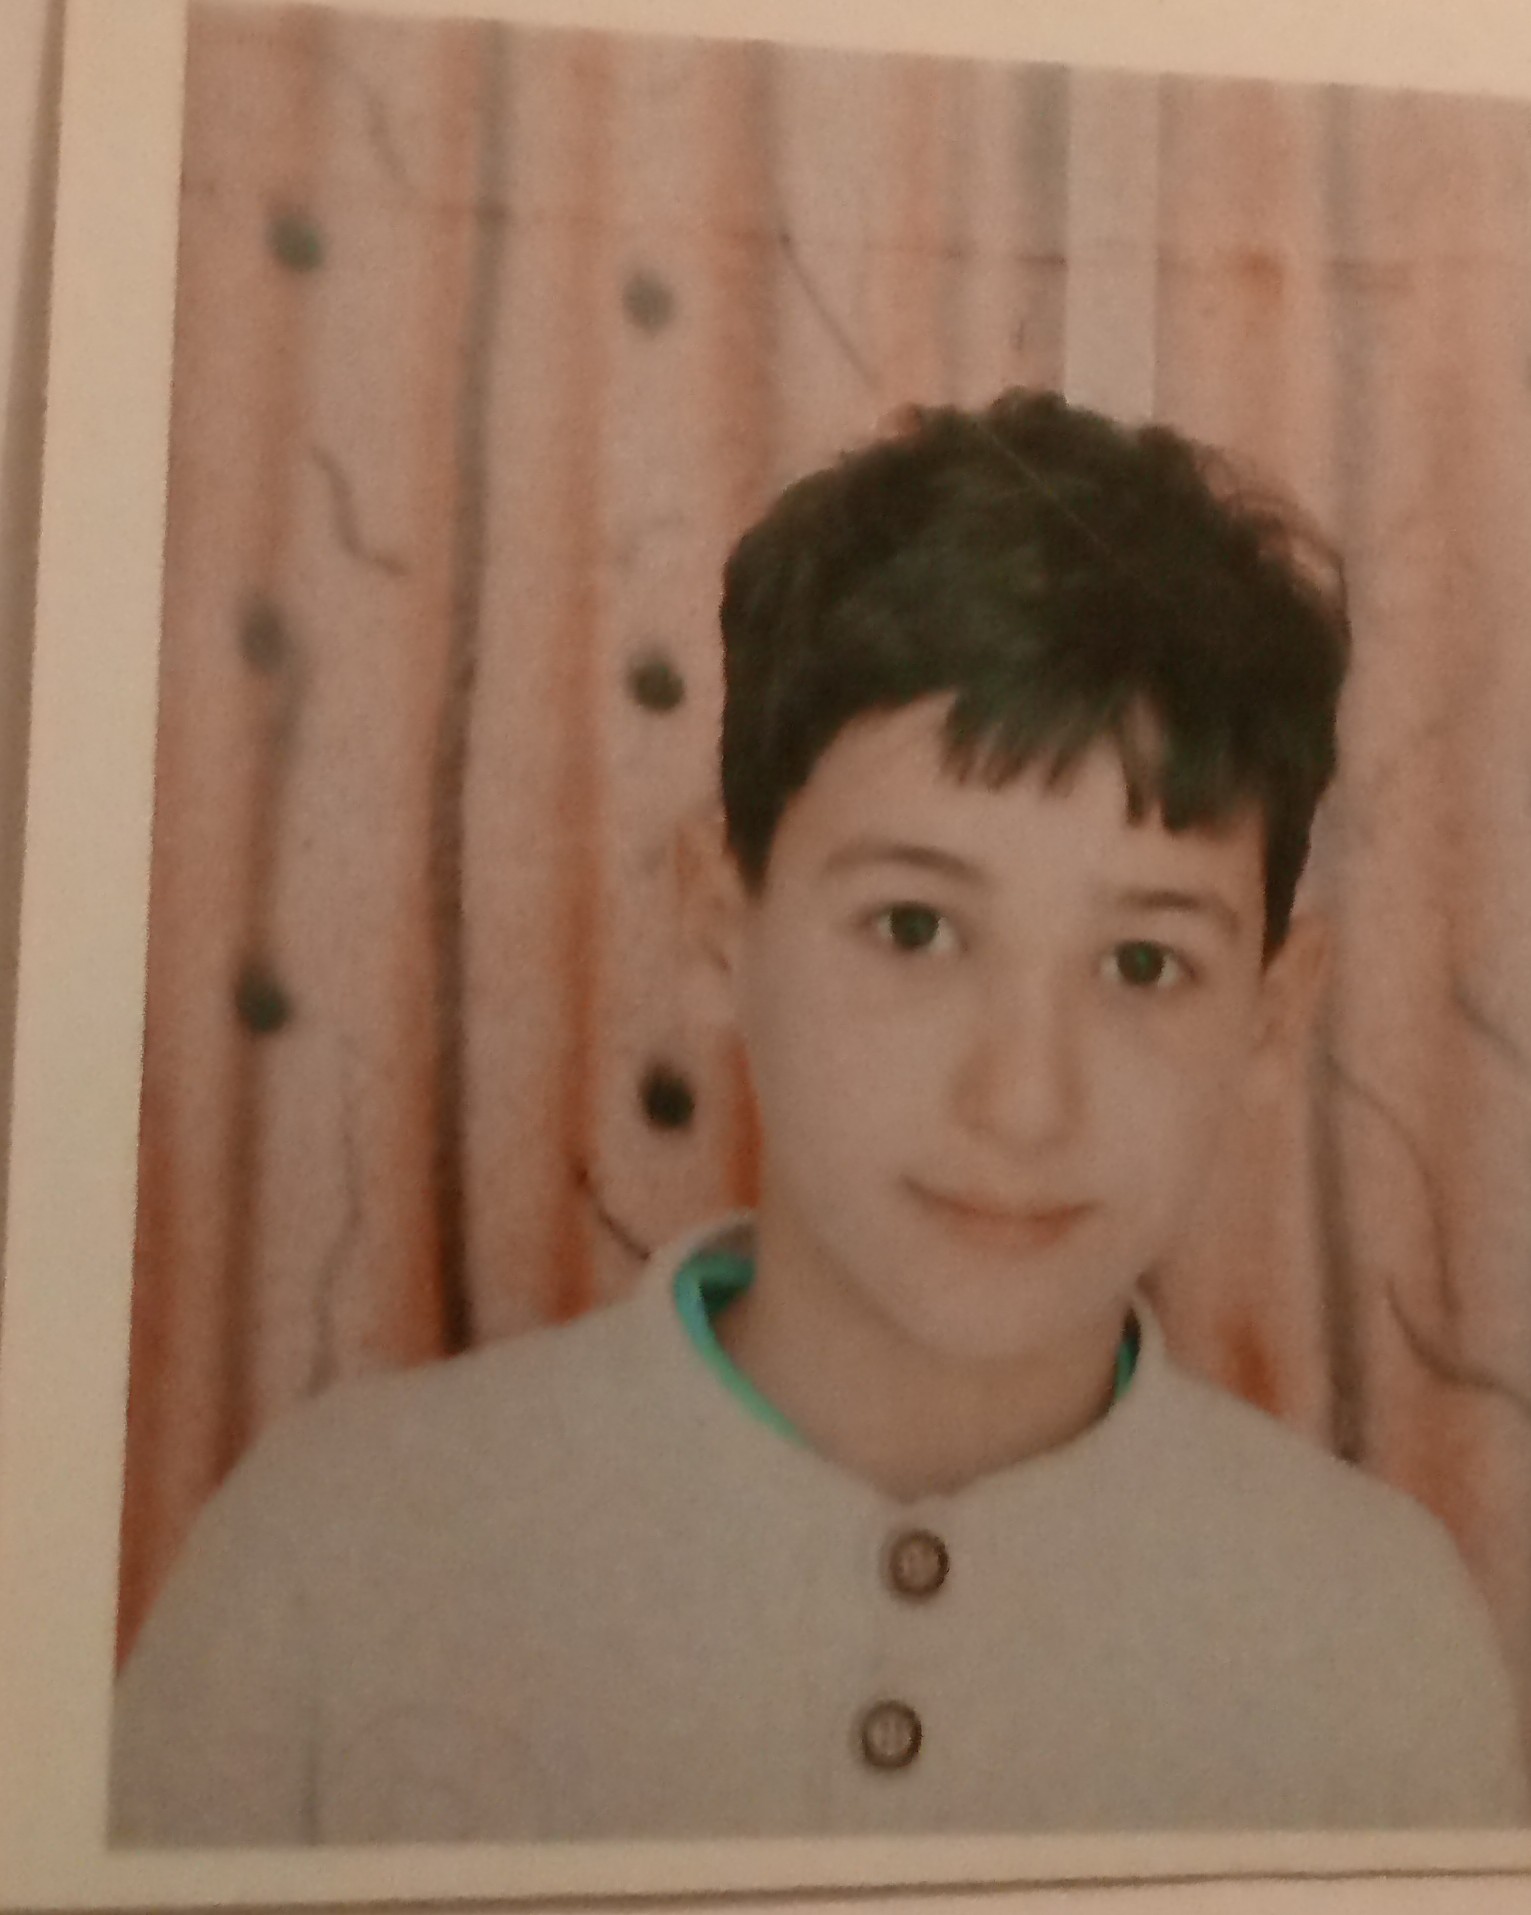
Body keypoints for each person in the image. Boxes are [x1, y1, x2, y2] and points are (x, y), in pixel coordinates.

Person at [112, 390, 1528, 1845]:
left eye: (1143, 964)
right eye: (914, 928)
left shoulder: (1380, 1637)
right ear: (722, 926)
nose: (1022, 1102)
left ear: (1273, 1018)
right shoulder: (338, 1553)